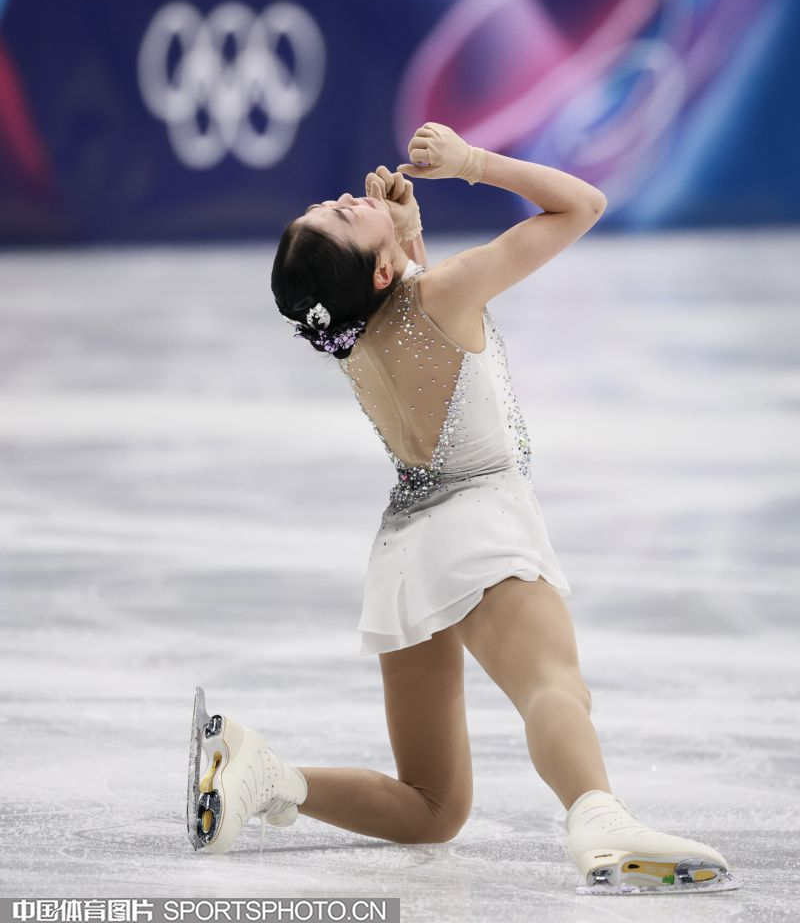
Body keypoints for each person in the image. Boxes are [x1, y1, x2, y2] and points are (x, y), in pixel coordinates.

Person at [187, 123, 739, 895]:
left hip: (408, 556)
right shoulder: (439, 294)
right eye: (341, 214)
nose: (346, 196)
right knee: (554, 686)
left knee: (434, 807)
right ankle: (599, 817)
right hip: (479, 527)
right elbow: (582, 204)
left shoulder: (352, 334)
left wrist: (403, 231)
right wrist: (472, 164)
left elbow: (419, 326)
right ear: (381, 269)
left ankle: (266, 775)